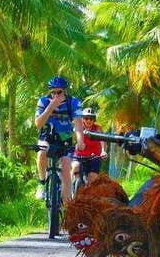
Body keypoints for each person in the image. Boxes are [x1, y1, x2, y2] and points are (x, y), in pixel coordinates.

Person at [34, 76, 83, 205]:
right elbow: (38, 124)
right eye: (53, 92)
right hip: (47, 135)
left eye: (59, 92)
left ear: (65, 91)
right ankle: (42, 182)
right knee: (41, 151)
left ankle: (67, 207)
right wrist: (50, 107)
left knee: (66, 170)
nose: (56, 95)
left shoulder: (73, 102)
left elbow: (78, 124)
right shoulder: (43, 101)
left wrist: (80, 140)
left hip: (65, 137)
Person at [71, 107, 107, 185]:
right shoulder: (78, 126)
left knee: (92, 178)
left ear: (94, 120)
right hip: (79, 156)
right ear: (83, 119)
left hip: (94, 157)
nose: (89, 121)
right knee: (75, 167)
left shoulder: (98, 128)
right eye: (86, 118)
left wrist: (103, 151)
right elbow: (72, 136)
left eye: (91, 119)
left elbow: (102, 140)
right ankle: (69, 189)